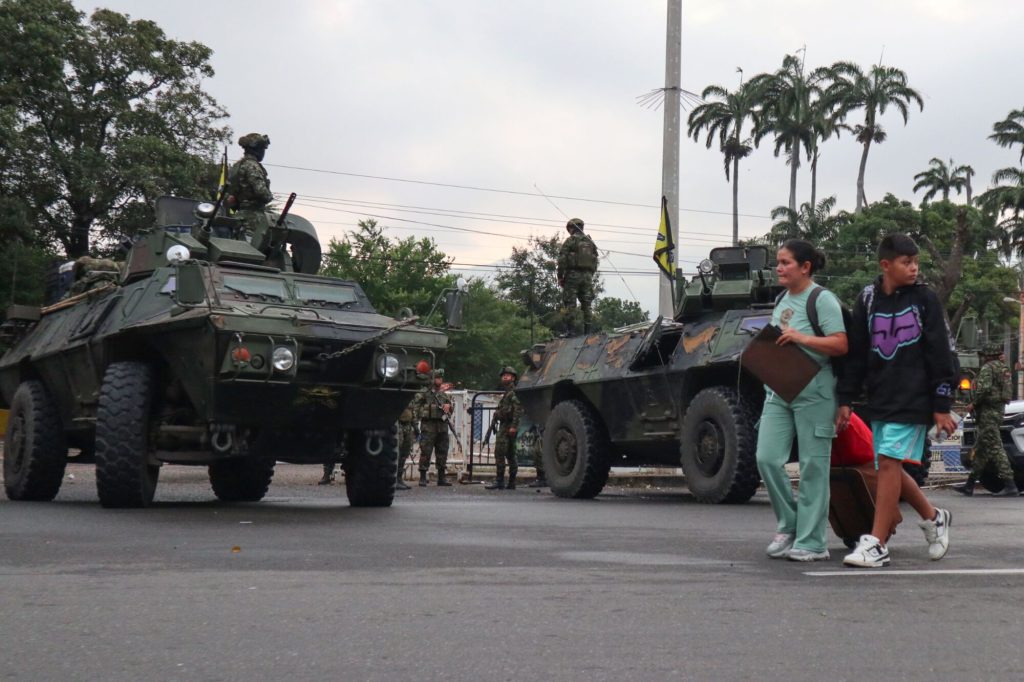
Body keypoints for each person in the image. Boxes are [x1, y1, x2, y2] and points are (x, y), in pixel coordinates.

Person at [837, 233, 956, 568]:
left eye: (916, 261)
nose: (914, 268)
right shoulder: (868, 299)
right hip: (881, 396)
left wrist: (942, 404)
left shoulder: (925, 299)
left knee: (889, 461)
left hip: (914, 397)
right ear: (886, 265)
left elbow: (940, 353)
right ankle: (934, 518)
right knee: (889, 466)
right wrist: (845, 398)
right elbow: (857, 353)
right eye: (907, 262)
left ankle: (876, 543)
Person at [756, 239, 848, 562]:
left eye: (785, 263)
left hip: (816, 394)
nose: (778, 268)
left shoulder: (822, 300)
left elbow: (840, 344)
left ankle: (812, 542)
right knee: (766, 457)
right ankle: (791, 524)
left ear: (805, 267)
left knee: (813, 466)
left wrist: (801, 338)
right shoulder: (782, 298)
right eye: (777, 263)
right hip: (780, 390)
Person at [956, 343, 1020, 496]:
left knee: (995, 447)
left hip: (987, 413)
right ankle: (969, 485)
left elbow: (983, 389)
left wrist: (973, 403)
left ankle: (1010, 485)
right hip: (998, 411)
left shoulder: (988, 368)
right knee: (981, 450)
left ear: (987, 355)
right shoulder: (1003, 368)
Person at [226, 133, 274, 245]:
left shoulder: (237, 166)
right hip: (253, 219)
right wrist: (269, 196)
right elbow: (262, 193)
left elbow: (229, 196)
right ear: (258, 150)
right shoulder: (252, 166)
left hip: (239, 216)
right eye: (263, 149)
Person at [410, 370, 453, 486]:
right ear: (431, 379)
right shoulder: (424, 393)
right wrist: (429, 410)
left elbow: (450, 410)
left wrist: (449, 407)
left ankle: (441, 477)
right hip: (428, 426)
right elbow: (416, 408)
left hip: (442, 426)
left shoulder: (444, 394)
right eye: (437, 378)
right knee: (426, 451)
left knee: (442, 451)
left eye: (441, 378)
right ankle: (423, 477)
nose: (439, 380)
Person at [556, 218, 599, 336]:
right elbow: (595, 260)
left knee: (570, 303)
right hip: (587, 277)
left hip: (572, 276)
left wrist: (560, 276)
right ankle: (588, 332)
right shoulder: (590, 242)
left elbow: (562, 259)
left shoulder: (571, 241)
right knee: (587, 304)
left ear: (571, 228)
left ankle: (571, 331)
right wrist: (590, 274)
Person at [485, 366, 524, 490]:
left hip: (508, 426)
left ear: (513, 378)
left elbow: (518, 409)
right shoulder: (508, 392)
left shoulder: (513, 392)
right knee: (509, 454)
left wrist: (513, 426)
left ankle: (501, 481)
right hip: (505, 425)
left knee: (501, 453)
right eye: (503, 375)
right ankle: (510, 482)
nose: (505, 377)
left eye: (507, 375)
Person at [395, 406, 419, 491]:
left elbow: (413, 412)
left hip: (408, 426)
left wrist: (415, 427)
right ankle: (394, 479)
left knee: (404, 453)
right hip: (399, 424)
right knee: (397, 452)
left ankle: (399, 478)